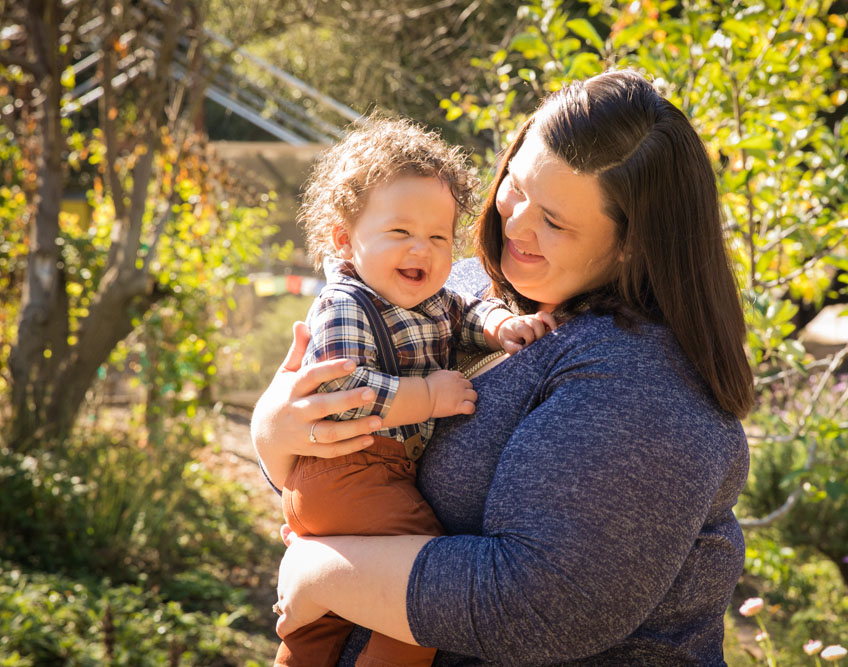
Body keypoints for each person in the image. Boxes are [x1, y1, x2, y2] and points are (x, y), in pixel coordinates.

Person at [253, 69, 756, 666]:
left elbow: (542, 610)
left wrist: (325, 571)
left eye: (556, 222)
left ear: (631, 245)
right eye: (517, 186)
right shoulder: (460, 287)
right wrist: (275, 434)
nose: (515, 225)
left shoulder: (642, 384)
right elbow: (355, 460)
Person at [274, 117, 555, 667]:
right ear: (343, 240)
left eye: (437, 237)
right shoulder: (346, 304)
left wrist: (500, 326)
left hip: (364, 477)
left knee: (317, 626)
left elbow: (468, 314)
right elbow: (338, 383)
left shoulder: (433, 300)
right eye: (400, 233)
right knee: (423, 591)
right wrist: (424, 397)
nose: (420, 251)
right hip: (349, 472)